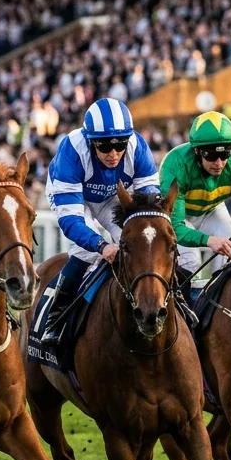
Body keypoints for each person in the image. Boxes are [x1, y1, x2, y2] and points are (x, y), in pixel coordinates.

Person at [39, 98, 160, 344]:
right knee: (87, 253)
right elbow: (72, 221)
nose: (113, 154)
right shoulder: (72, 149)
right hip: (75, 198)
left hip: (111, 197)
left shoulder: (138, 147)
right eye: (104, 147)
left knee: (138, 242)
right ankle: (56, 317)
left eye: (119, 145)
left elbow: (150, 205)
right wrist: (101, 245)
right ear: (90, 141)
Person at [158, 111, 231, 289]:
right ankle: (184, 310)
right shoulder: (176, 164)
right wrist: (209, 240)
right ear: (197, 151)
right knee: (191, 259)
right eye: (211, 156)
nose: (219, 163)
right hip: (176, 216)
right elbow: (176, 227)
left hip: (211, 209)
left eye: (225, 155)